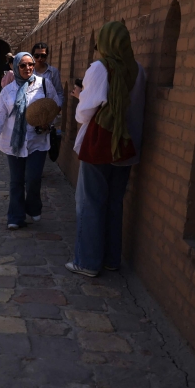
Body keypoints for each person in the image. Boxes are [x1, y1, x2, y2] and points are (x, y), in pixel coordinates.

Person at [66, 21, 146, 277]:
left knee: (90, 202)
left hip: (101, 145)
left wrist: (80, 96)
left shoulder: (100, 68)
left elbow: (85, 113)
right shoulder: (138, 71)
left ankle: (87, 262)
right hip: (125, 147)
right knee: (113, 203)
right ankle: (111, 259)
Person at [0, 52, 62, 229]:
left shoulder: (44, 85)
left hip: (38, 141)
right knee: (16, 181)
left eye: (30, 64)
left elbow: (55, 107)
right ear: (15, 67)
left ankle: (34, 206)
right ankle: (15, 217)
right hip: (14, 142)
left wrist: (48, 123)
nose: (28, 68)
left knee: (34, 178)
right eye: (23, 65)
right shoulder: (8, 91)